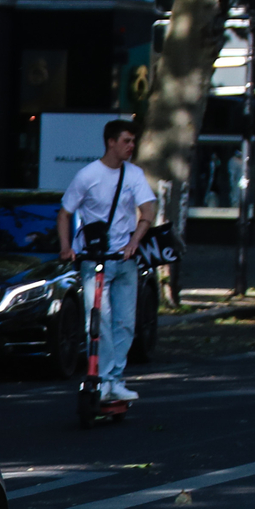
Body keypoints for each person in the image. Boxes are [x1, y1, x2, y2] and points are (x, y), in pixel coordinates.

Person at [55, 119, 157, 404]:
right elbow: (64, 214)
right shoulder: (88, 175)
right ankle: (101, 378)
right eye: (126, 141)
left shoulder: (134, 174)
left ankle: (115, 379)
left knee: (125, 322)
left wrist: (134, 241)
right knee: (99, 322)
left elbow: (148, 210)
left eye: (133, 141)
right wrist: (66, 247)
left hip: (124, 259)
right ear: (110, 142)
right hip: (95, 259)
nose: (131, 146)